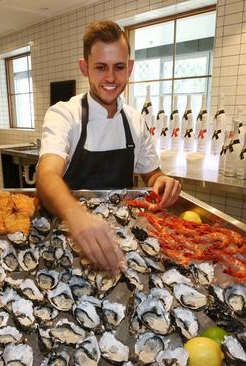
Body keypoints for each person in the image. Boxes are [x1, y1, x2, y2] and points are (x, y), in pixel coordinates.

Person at [36, 20, 181, 273]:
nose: (111, 78)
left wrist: (162, 180)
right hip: (71, 240)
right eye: (101, 67)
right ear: (85, 68)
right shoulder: (64, 114)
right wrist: (76, 215)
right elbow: (46, 175)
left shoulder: (135, 120)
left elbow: (152, 174)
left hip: (123, 242)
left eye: (119, 67)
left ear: (130, 68)